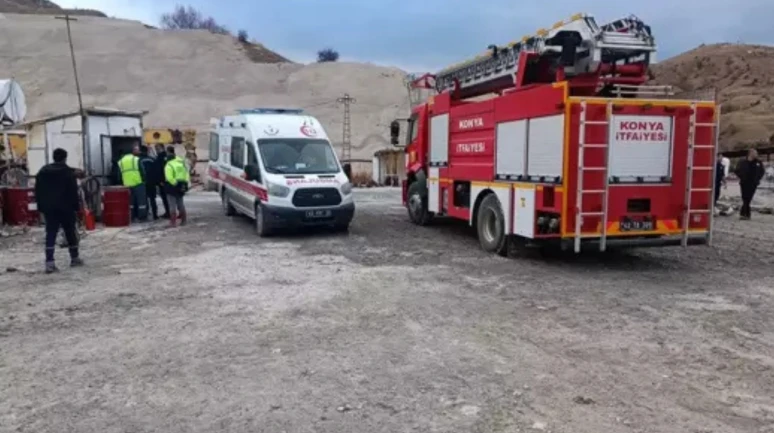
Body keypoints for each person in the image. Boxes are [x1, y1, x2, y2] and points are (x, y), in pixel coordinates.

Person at [34, 148, 84, 273]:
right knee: (70, 232)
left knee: (50, 234)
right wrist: (76, 208)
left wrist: (41, 207)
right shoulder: (68, 172)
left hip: (49, 209)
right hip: (66, 208)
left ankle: (49, 262)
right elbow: (73, 191)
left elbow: (38, 191)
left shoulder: (43, 171)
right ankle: (74, 258)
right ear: (65, 158)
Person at [117, 145, 148, 222]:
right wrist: (144, 180)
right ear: (131, 152)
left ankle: (132, 217)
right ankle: (142, 217)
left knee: (131, 202)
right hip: (138, 183)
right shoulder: (136, 159)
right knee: (141, 202)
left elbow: (119, 175)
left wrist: (122, 183)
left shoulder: (120, 161)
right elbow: (142, 171)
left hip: (127, 184)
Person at [734, 148, 765, 220]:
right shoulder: (742, 161)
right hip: (744, 183)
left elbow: (762, 171)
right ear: (750, 153)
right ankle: (745, 214)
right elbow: (736, 170)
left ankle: (744, 214)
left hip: (753, 183)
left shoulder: (758, 162)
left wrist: (758, 179)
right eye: (755, 153)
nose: (756, 154)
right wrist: (741, 176)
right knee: (744, 197)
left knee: (748, 198)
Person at [164, 146, 191, 227]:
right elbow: (187, 173)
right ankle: (184, 221)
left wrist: (174, 183)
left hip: (172, 186)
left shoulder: (169, 164)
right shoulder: (180, 162)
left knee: (172, 204)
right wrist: (184, 183)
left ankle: (173, 223)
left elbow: (169, 177)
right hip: (181, 185)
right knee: (180, 203)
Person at [138, 145, 161, 220]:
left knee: (143, 199)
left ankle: (145, 214)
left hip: (143, 181)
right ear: (147, 151)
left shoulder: (138, 160)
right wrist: (157, 181)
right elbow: (156, 171)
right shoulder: (152, 159)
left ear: (140, 151)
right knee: (152, 199)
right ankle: (155, 215)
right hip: (152, 182)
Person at [153, 144, 170, 219]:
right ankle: (168, 212)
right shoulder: (162, 157)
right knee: (165, 198)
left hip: (164, 181)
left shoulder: (162, 157)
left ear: (163, 148)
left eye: (158, 148)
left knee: (166, 198)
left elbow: (160, 170)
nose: (157, 150)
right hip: (165, 180)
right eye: (156, 149)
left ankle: (169, 213)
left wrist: (160, 180)